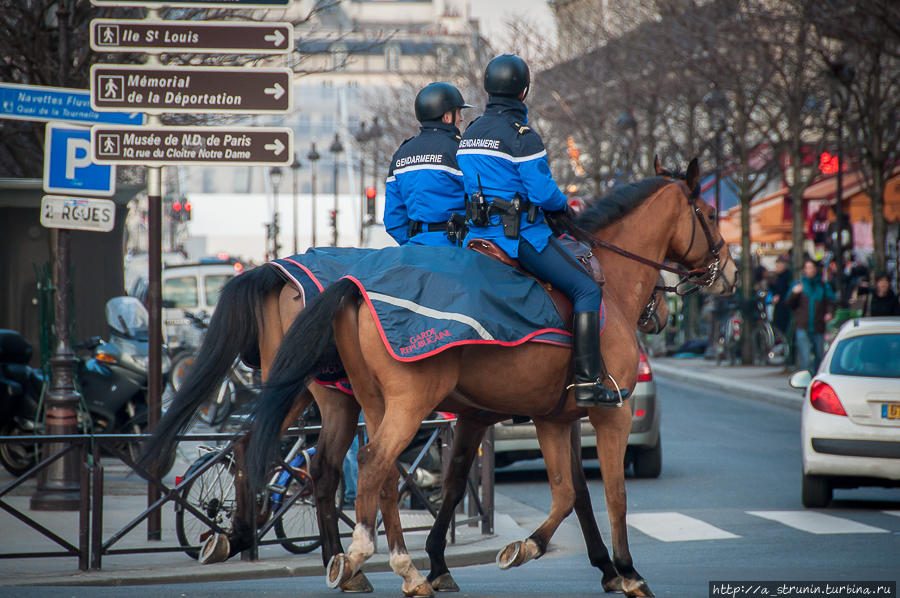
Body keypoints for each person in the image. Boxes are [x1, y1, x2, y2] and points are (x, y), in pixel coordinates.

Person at [456, 54, 616, 407]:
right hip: (519, 239)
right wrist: (565, 206)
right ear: (523, 91)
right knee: (586, 290)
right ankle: (588, 382)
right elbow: (543, 194)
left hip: (476, 239)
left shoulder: (471, 133)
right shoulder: (522, 137)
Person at [383, 82, 472, 247]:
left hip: (414, 251)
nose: (461, 118)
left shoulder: (402, 153)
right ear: (446, 116)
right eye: (458, 112)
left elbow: (393, 220)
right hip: (456, 251)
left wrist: (416, 244)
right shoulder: (460, 150)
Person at [787, 259, 835, 373]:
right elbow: (789, 304)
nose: (810, 270)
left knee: (820, 358)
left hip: (818, 327)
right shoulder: (799, 285)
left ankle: (816, 382)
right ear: (804, 270)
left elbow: (831, 301)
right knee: (806, 359)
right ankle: (806, 383)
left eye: (812, 267)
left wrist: (829, 312)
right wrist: (794, 293)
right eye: (807, 268)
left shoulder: (823, 286)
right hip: (802, 327)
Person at [769, 255, 793, 337]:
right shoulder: (779, 276)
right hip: (780, 306)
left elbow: (782, 290)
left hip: (783, 307)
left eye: (778, 265)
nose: (776, 267)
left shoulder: (785, 276)